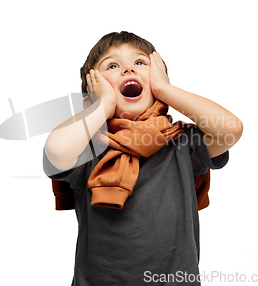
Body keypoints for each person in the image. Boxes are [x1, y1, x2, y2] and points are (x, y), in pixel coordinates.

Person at [43, 31, 243, 285]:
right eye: (113, 65)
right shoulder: (85, 149)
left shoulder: (181, 142)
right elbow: (57, 151)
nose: (128, 69)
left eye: (140, 63)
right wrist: (102, 105)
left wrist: (166, 89)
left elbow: (231, 129)